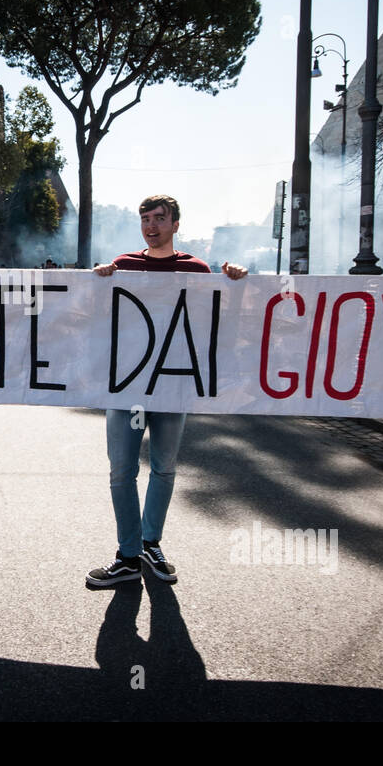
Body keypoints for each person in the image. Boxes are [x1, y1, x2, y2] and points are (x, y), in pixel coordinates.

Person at [86, 194, 249, 588]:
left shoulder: (196, 268)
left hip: (174, 384)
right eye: (145, 218)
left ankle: (149, 544)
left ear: (176, 224)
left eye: (160, 218)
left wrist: (236, 285)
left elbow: (219, 323)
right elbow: (92, 317)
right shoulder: (122, 265)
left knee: (164, 467)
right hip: (127, 386)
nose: (151, 225)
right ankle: (127, 556)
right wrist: (96, 283)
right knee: (121, 472)